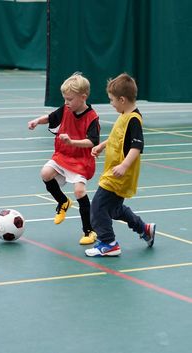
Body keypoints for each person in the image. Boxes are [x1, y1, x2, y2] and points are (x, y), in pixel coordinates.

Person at [85, 73, 156, 257]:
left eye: (112, 100)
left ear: (122, 99)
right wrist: (102, 145)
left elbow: (137, 145)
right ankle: (144, 228)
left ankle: (109, 243)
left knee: (98, 207)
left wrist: (124, 166)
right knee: (114, 209)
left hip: (119, 175)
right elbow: (117, 136)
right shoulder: (124, 114)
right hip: (114, 171)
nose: (112, 104)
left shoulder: (133, 119)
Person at [28, 73, 100, 244]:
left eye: (69, 99)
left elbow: (92, 142)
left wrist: (72, 141)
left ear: (83, 97)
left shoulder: (92, 117)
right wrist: (38, 120)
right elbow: (51, 117)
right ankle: (63, 202)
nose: (66, 102)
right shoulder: (66, 108)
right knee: (45, 173)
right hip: (63, 155)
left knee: (79, 192)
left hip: (81, 160)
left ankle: (89, 231)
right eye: (65, 99)